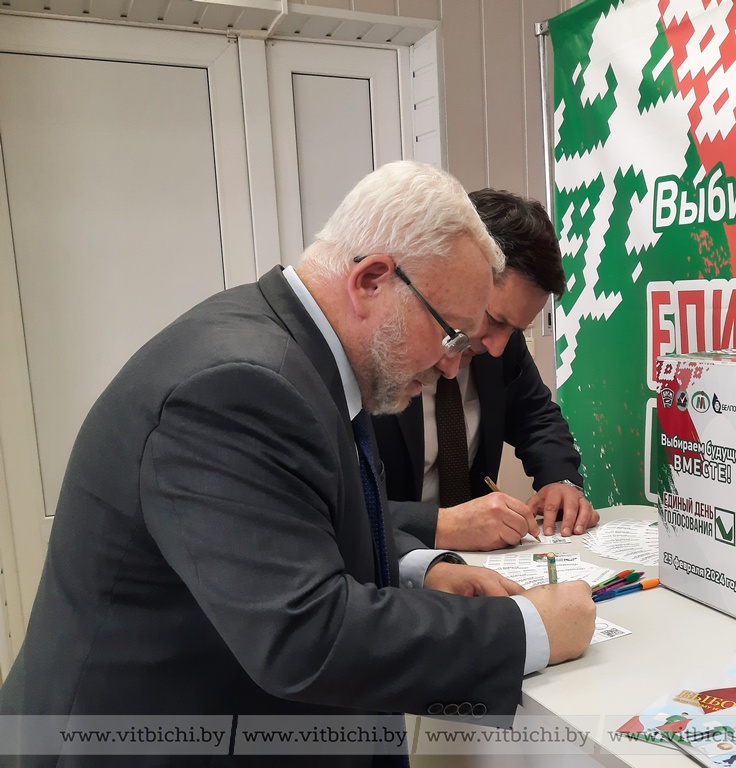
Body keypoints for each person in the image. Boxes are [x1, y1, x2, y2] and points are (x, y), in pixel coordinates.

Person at [0, 161, 596, 767]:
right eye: (452, 337)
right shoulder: (240, 386)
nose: (453, 365)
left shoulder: (306, 356)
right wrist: (527, 629)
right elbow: (304, 632)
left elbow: (311, 523)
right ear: (371, 280)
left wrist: (416, 568)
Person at [373, 189, 599, 551]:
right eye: (492, 320)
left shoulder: (500, 344)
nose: (497, 347)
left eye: (514, 330)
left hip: (479, 560)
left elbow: (535, 416)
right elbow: (343, 510)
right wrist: (442, 526)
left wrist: (561, 481)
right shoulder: (376, 357)